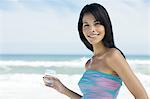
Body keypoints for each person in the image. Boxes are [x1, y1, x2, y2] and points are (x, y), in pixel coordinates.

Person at [43, 3, 148, 99]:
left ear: (105, 26)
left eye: (97, 23)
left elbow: (142, 97)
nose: (91, 29)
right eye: (86, 25)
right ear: (82, 30)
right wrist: (62, 89)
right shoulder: (88, 63)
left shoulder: (113, 56)